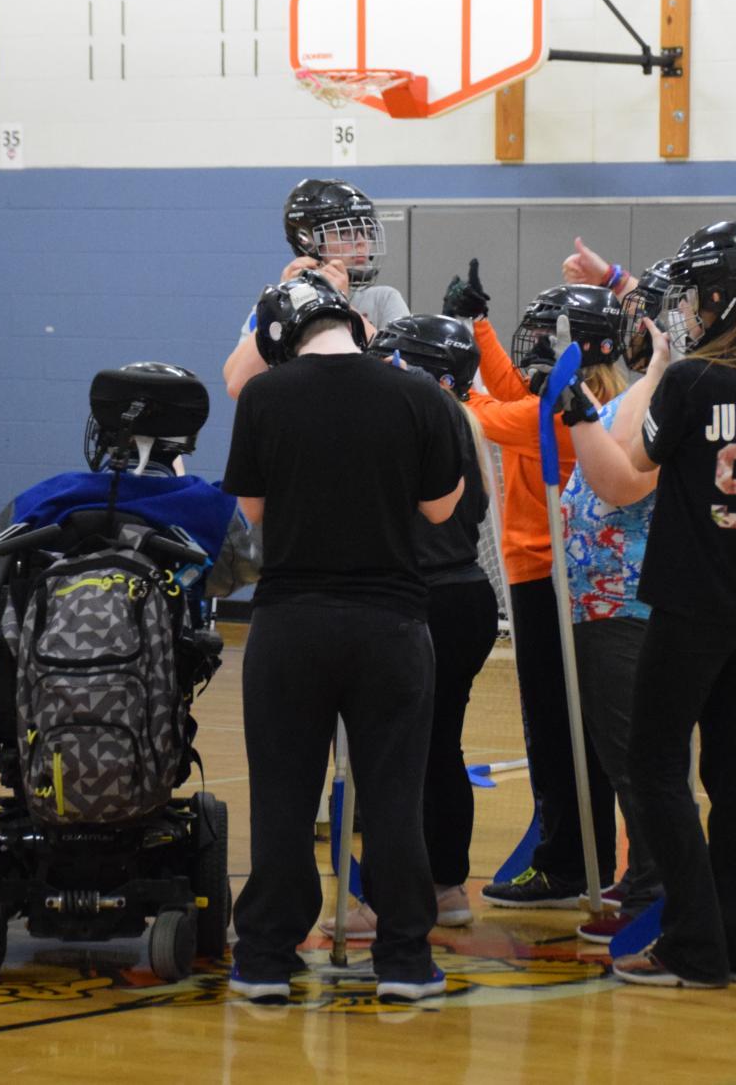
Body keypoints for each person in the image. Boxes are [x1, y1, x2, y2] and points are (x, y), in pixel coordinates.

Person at [561, 220, 736, 987]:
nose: (689, 311)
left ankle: (692, 942)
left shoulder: (695, 379)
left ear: (720, 297)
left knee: (656, 768)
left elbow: (626, 469)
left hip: (692, 604)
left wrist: (581, 411)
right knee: (734, 769)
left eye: (697, 297)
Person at [222, 272, 464, 1003]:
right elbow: (440, 505)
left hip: (289, 623)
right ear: (354, 323)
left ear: (280, 340)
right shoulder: (418, 392)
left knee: (283, 795)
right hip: (389, 623)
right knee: (393, 796)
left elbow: (253, 511)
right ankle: (402, 961)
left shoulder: (264, 395)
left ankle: (265, 957)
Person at [320, 314, 499, 939]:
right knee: (438, 748)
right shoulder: (463, 419)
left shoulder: (414, 416)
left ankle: (392, 901)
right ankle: (446, 886)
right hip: (465, 597)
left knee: (395, 757)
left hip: (423, 598)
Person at [444, 267, 619, 908]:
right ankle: (581, 855)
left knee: (554, 731)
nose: (536, 345)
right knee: (567, 728)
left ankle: (565, 863)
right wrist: (479, 327)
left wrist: (443, 374)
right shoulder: (586, 400)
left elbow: (488, 412)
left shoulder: (567, 416)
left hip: (548, 581)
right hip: (551, 579)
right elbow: (512, 390)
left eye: (548, 335)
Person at [554, 271, 670, 945]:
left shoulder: (657, 402)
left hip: (627, 604)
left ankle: (655, 887)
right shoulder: (634, 398)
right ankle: (642, 877)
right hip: (598, 605)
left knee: (635, 755)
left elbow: (624, 481)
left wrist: (656, 364)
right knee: (616, 750)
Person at [222, 178, 407, 398]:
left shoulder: (383, 300)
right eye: (346, 233)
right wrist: (282, 305)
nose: (362, 243)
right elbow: (237, 385)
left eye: (366, 232)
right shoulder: (273, 307)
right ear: (307, 240)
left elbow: (407, 376)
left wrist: (341, 302)